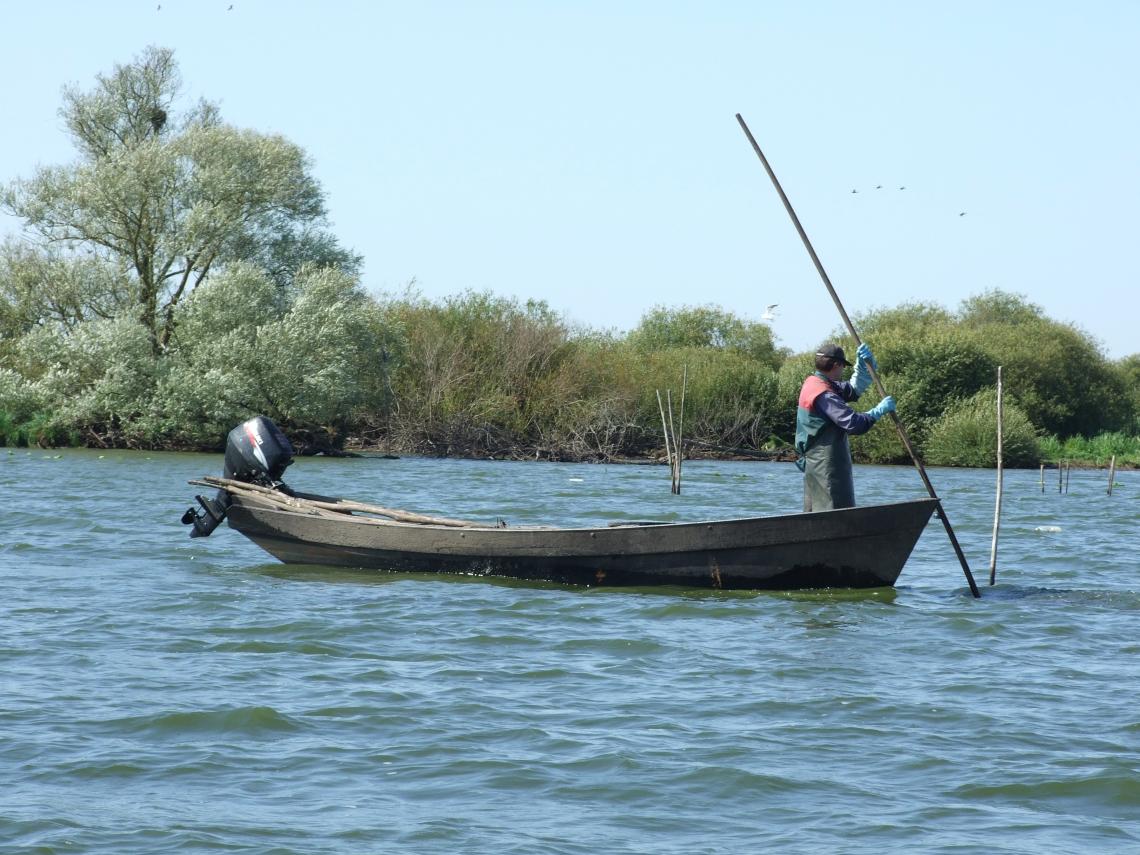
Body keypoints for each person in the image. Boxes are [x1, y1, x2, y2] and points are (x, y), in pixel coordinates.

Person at [795, 342, 895, 512]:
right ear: (836, 365)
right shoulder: (824, 393)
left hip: (816, 462)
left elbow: (851, 390)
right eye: (842, 367)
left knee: (816, 512)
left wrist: (863, 369)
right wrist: (877, 412)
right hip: (825, 464)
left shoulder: (815, 382)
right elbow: (853, 423)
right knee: (833, 510)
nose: (843, 372)